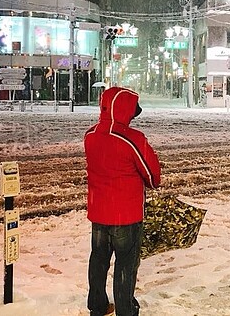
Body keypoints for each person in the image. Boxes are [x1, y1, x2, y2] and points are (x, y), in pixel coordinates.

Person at [84, 87, 162, 316]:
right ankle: (125, 310)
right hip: (125, 215)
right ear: (125, 110)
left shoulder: (90, 135)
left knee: (98, 259)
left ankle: (97, 306)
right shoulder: (132, 139)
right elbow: (152, 175)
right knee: (125, 263)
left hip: (98, 212)